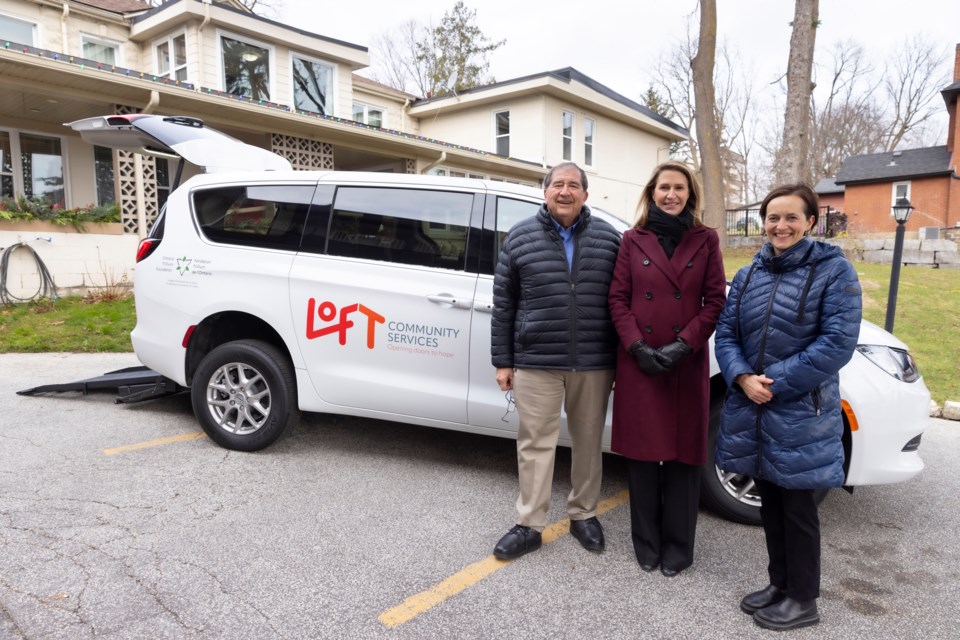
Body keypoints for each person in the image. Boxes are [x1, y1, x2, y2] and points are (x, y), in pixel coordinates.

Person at [714, 183, 862, 631]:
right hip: (753, 406)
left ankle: (803, 598)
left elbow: (837, 343)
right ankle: (779, 586)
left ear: (811, 222)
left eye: (791, 217)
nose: (781, 226)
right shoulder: (749, 274)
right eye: (773, 217)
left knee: (798, 509)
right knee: (771, 503)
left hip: (802, 412)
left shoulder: (834, 272)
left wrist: (772, 385)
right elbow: (725, 333)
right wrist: (740, 376)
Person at [491, 162, 621, 560]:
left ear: (585, 194)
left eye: (574, 185)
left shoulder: (609, 239)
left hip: (594, 361)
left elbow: (622, 301)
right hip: (536, 360)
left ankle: (583, 514)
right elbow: (504, 304)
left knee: (587, 442)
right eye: (558, 185)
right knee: (535, 443)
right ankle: (530, 523)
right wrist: (503, 361)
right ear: (544, 192)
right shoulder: (520, 237)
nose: (565, 191)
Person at [607, 161, 726, 577]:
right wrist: (637, 346)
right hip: (640, 363)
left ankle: (678, 546)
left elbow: (714, 302)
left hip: (685, 363)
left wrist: (682, 344)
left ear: (690, 194)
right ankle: (646, 542)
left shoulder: (706, 239)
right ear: (652, 192)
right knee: (642, 459)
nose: (670, 194)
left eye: (679, 188)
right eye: (663, 188)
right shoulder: (631, 239)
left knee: (682, 459)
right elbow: (617, 300)